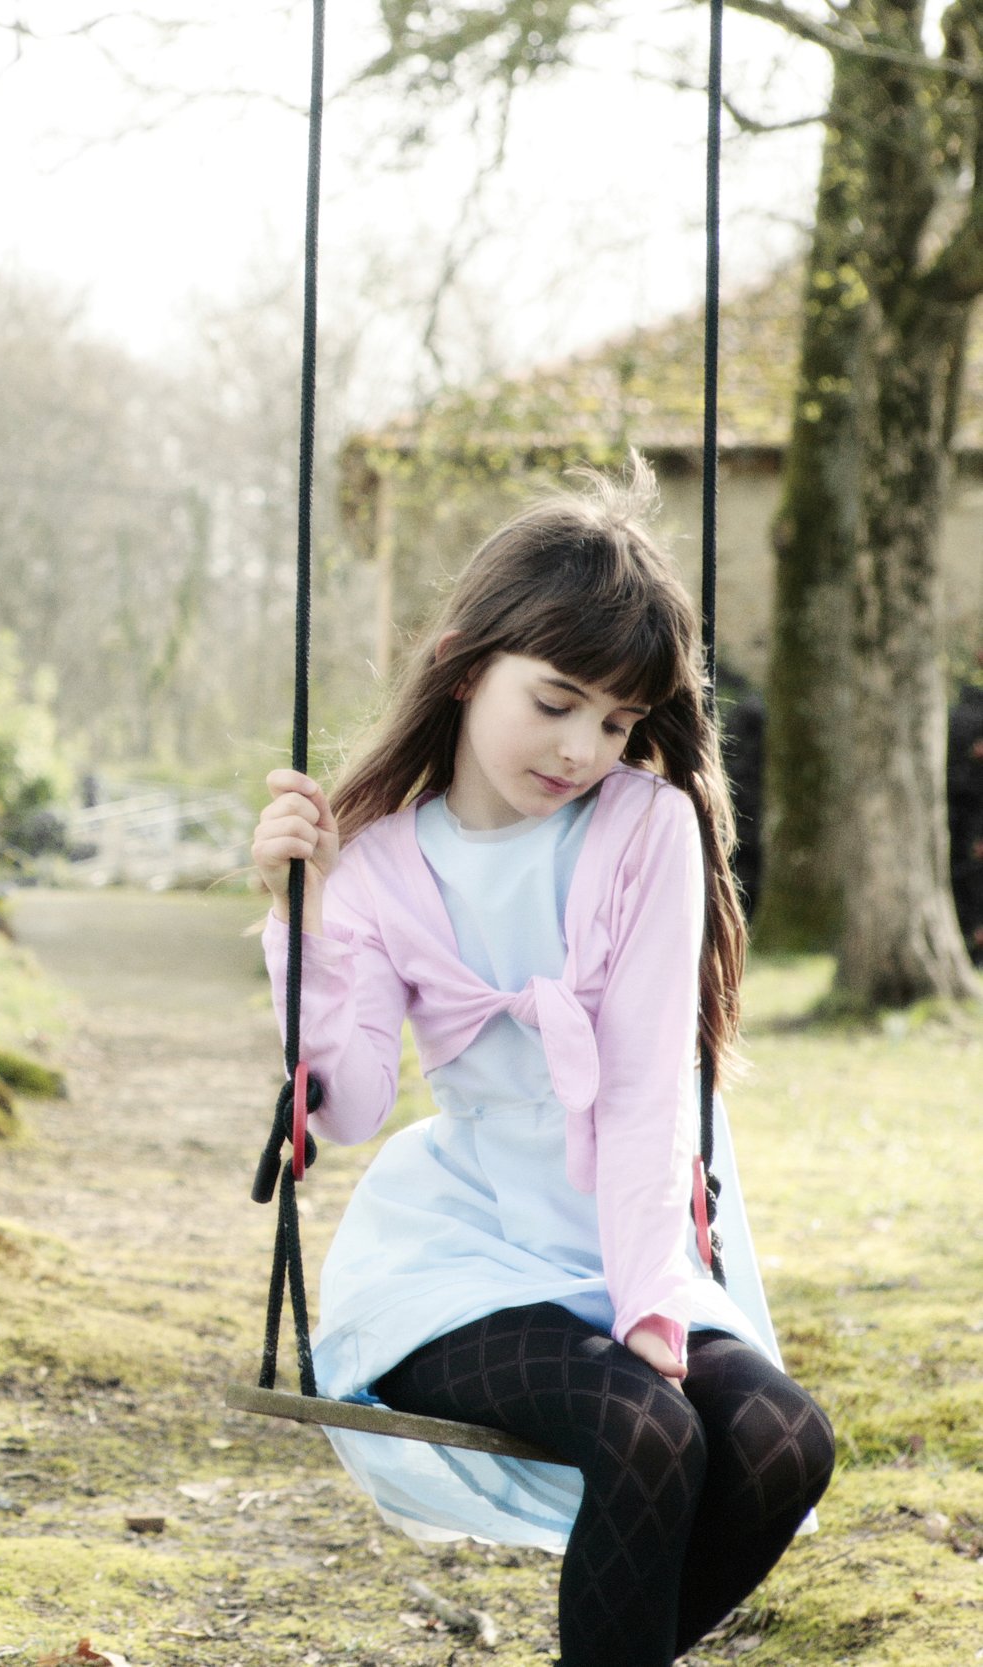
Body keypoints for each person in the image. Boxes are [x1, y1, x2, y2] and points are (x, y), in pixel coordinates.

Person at [251, 461, 833, 1667]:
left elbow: (640, 1097)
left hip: (619, 1229)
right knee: (644, 1434)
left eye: (616, 721)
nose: (581, 748)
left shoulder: (643, 830)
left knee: (781, 1438)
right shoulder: (377, 863)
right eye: (556, 700)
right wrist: (296, 918)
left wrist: (651, 1307)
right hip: (458, 1252)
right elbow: (349, 1102)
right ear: (467, 666)